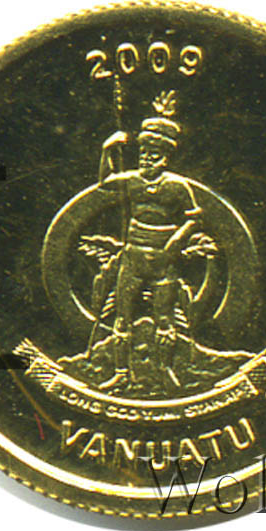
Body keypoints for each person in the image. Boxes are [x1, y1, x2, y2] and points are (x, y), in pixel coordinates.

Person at [96, 113, 201, 389]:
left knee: (164, 318)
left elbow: (194, 217)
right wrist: (107, 149)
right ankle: (121, 372)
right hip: (133, 257)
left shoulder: (177, 185)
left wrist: (177, 240)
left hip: (163, 259)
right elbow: (105, 182)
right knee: (122, 317)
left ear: (165, 158)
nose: (146, 159)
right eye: (143, 153)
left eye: (153, 155)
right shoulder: (132, 180)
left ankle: (165, 369)